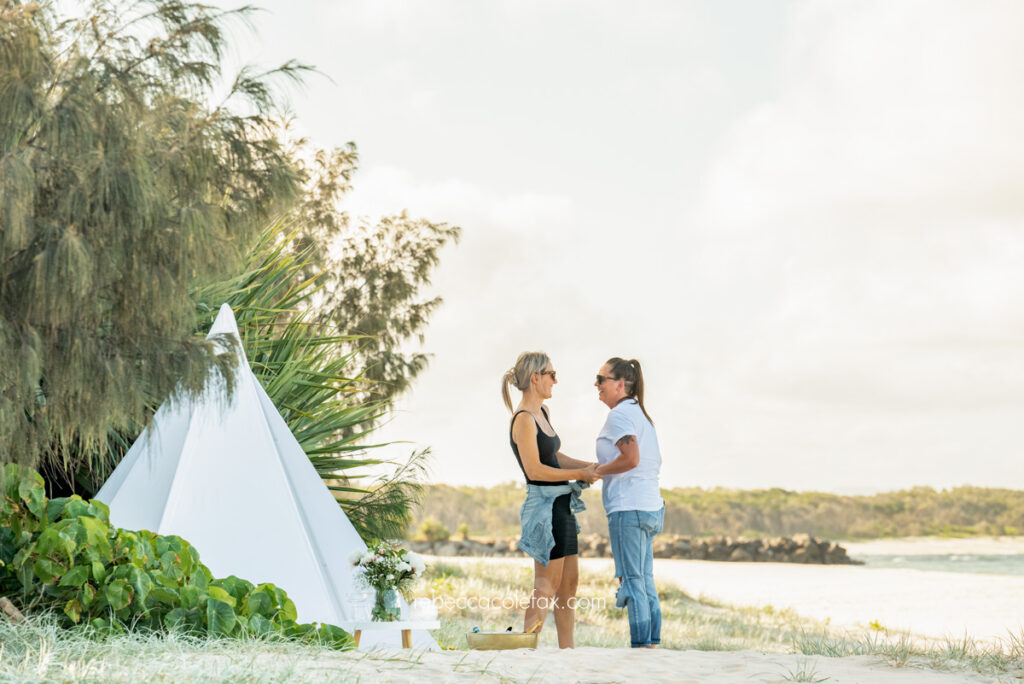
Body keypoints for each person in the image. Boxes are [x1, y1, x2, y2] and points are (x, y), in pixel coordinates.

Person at [502, 351, 601, 648]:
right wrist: (580, 474)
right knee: (545, 585)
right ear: (535, 378)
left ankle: (566, 652)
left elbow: (554, 457)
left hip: (562, 505)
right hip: (544, 509)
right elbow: (535, 470)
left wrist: (588, 467)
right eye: (551, 375)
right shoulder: (522, 419)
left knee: (568, 585)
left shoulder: (542, 413)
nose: (556, 381)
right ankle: (525, 650)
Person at [594, 357, 664, 648]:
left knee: (632, 581)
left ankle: (641, 645)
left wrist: (596, 472)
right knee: (644, 580)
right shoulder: (639, 413)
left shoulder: (620, 415)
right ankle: (651, 643)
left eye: (601, 379)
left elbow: (631, 459)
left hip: (629, 508)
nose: (596, 385)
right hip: (649, 506)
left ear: (620, 384)